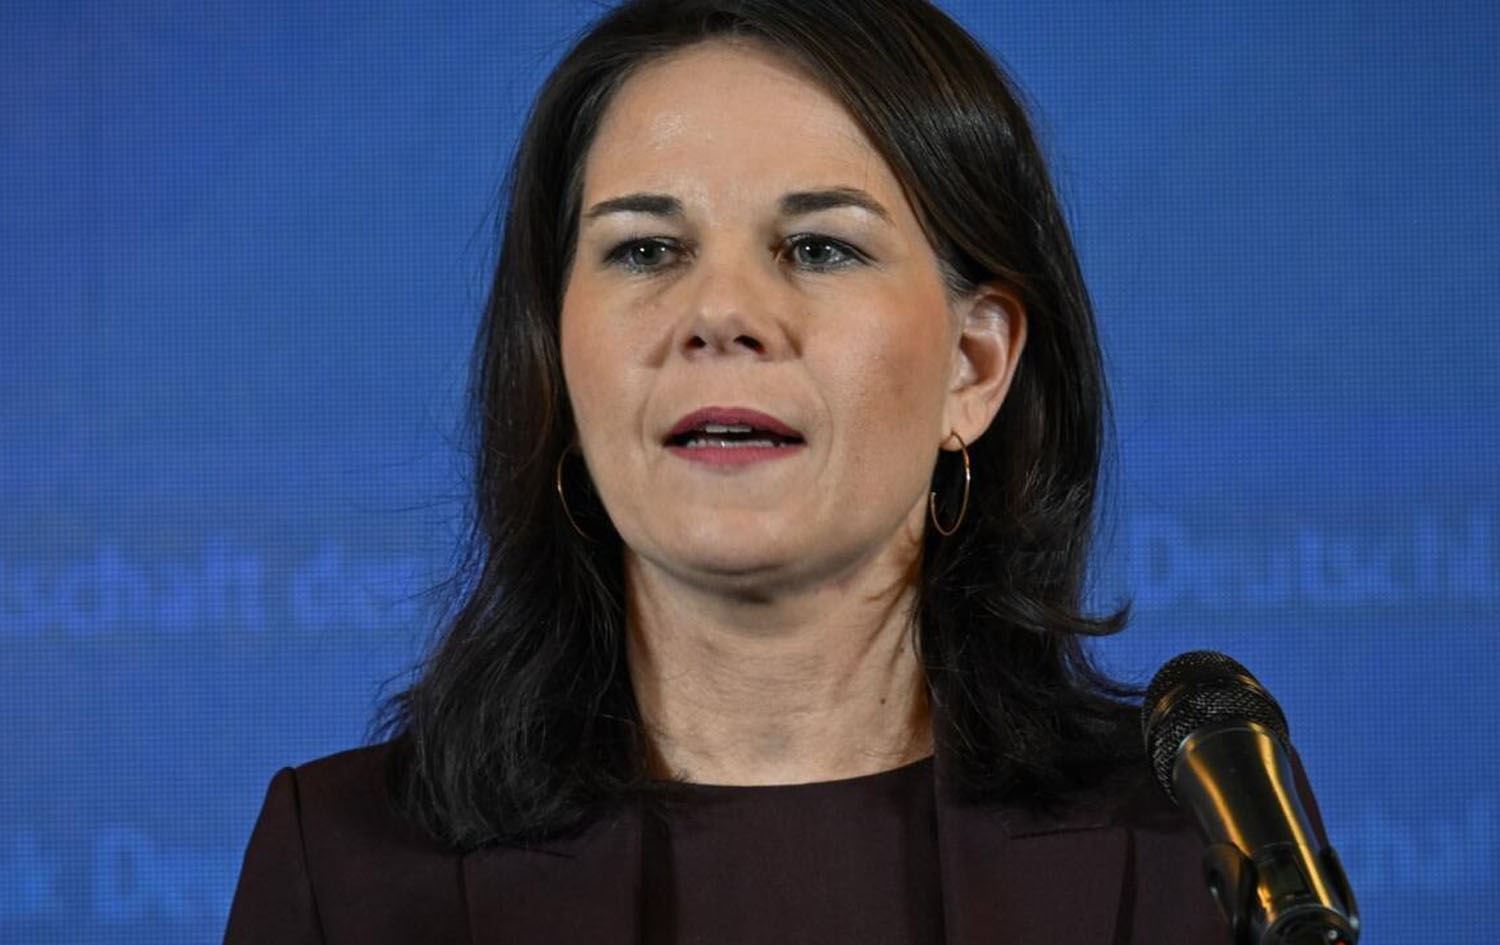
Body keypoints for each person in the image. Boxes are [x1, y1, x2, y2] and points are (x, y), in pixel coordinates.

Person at [224, 1, 1300, 941]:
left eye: (820, 247)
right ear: (557, 359)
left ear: (973, 368)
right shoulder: (347, 872)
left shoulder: (1194, 845)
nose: (721, 315)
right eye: (646, 250)